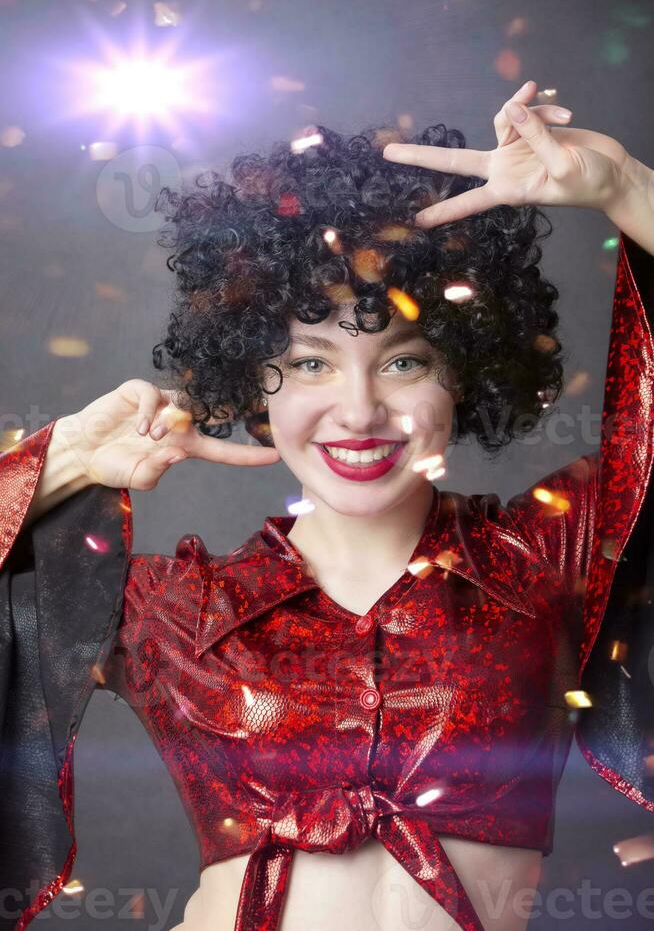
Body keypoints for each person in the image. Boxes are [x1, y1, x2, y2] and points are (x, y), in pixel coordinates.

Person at [1, 79, 654, 931]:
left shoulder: (552, 550)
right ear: (251, 379)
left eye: (402, 361)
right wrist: (62, 462)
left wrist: (628, 190)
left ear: (463, 368)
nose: (357, 411)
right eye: (310, 364)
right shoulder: (170, 610)